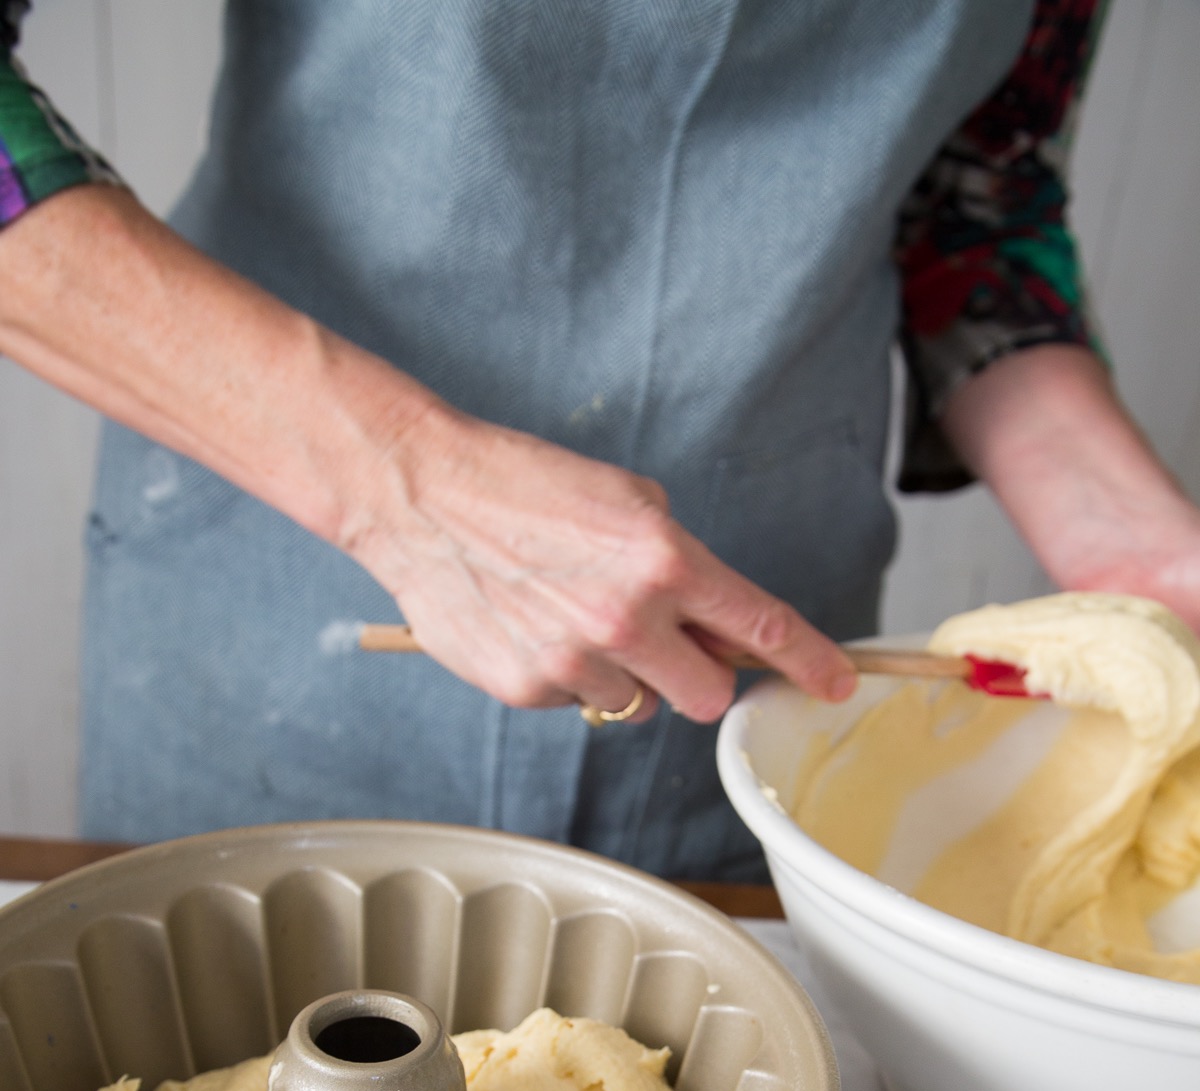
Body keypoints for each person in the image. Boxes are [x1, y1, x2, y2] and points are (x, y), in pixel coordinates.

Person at [0, 0, 1198, 878]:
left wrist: (1136, 551)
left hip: (746, 640)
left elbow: (978, 192)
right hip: (293, 559)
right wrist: (406, 489)